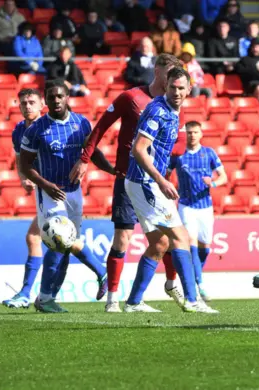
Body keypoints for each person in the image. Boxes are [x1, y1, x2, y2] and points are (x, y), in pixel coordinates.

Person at [71, 54, 186, 313]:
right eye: (169, 72)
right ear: (157, 70)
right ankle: (113, 299)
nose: (172, 79)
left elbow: (173, 143)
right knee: (123, 239)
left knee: (169, 235)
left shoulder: (173, 105)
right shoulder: (131, 98)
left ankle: (171, 284)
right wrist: (85, 159)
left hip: (155, 183)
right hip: (127, 178)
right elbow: (100, 127)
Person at [123, 67, 215, 314]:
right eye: (172, 87)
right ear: (165, 86)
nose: (176, 92)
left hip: (144, 183)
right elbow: (139, 150)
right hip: (145, 183)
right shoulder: (158, 111)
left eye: (181, 88)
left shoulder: (174, 112)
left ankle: (133, 302)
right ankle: (192, 301)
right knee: (181, 237)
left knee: (160, 243)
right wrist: (162, 181)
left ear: (188, 89)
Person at [19, 81, 111, 313]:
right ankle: (48, 296)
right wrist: (45, 184)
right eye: (51, 97)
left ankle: (48, 298)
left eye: (60, 96)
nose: (56, 101)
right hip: (49, 193)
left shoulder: (81, 123)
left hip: (74, 192)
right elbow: (25, 165)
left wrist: (112, 170)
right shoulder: (35, 130)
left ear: (68, 96)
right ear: (46, 101)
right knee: (60, 239)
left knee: (67, 246)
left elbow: (93, 153)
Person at [167, 121, 227, 308]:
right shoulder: (178, 155)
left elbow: (224, 176)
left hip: (205, 207)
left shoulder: (209, 153)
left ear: (201, 134)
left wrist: (214, 183)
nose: (192, 135)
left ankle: (195, 275)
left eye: (195, 132)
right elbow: (166, 175)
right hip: (186, 206)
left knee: (204, 246)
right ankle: (199, 283)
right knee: (190, 242)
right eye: (190, 132)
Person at [1, 89, 44, 309]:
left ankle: (26, 293)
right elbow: (20, 160)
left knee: (35, 238)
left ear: (42, 104)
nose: (27, 106)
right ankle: (102, 273)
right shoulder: (19, 130)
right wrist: (24, 179)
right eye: (24, 103)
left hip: (58, 190)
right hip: (43, 192)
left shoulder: (48, 126)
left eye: (32, 102)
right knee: (65, 243)